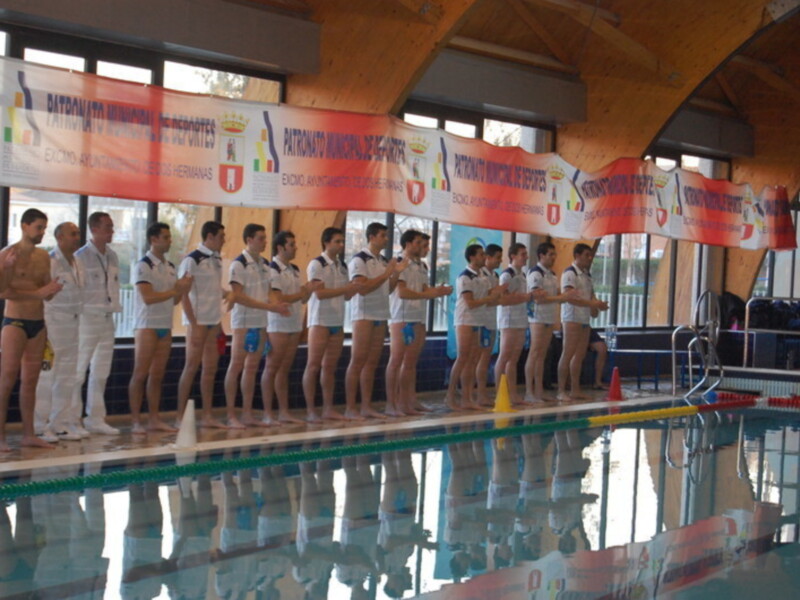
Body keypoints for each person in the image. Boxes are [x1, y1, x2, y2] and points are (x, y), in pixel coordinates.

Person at [0, 208, 63, 451]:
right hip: (14, 323)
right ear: (25, 226)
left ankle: (29, 434)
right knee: (6, 381)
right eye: (39, 228)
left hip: (38, 323)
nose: (42, 233)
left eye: (44, 228)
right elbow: (3, 292)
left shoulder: (43, 256)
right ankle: (1, 437)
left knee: (31, 382)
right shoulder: (7, 254)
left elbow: (44, 291)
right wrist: (7, 269)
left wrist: (51, 291)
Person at [128, 222, 192, 434]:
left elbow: (173, 302)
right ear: (153, 239)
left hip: (165, 325)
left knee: (157, 375)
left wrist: (181, 291)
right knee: (140, 374)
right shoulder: (143, 265)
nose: (169, 240)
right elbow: (148, 297)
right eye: (165, 237)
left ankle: (154, 418)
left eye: (169, 236)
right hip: (147, 325)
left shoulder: (171, 267)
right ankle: (136, 420)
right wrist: (176, 289)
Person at [223, 223, 290, 428]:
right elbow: (239, 296)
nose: (265, 241)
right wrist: (271, 307)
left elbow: (269, 290)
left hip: (260, 321)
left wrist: (276, 304)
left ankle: (247, 413)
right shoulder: (238, 264)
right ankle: (231, 414)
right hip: (243, 322)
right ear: (249, 239)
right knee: (236, 366)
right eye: (261, 238)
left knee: (251, 368)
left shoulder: (264, 264)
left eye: (265, 237)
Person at [385, 229, 451, 416]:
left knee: (411, 363)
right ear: (407, 244)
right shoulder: (400, 263)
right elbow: (402, 292)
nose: (423, 247)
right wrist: (426, 294)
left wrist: (437, 291)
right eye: (418, 243)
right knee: (396, 361)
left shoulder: (421, 265)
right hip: (402, 318)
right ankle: (392, 403)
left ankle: (409, 400)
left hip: (418, 317)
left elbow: (423, 289)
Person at [344, 222, 406, 420]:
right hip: (363, 315)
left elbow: (387, 290)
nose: (386, 239)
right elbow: (362, 288)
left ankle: (365, 406)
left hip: (380, 314)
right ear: (371, 237)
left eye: (386, 235)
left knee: (371, 363)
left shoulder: (383, 261)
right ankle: (350, 408)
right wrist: (387, 273)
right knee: (358, 361)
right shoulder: (359, 260)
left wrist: (395, 273)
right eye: (382, 235)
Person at [302, 226, 360, 422]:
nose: (341, 245)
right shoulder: (316, 265)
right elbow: (319, 293)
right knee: (313, 366)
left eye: (342, 241)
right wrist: (346, 288)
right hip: (319, 321)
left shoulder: (341, 266)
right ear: (326, 242)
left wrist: (354, 289)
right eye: (337, 241)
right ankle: (311, 410)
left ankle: (328, 408)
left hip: (337, 321)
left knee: (330, 368)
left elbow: (345, 296)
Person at [261, 230, 319, 425]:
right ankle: (268, 413)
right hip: (277, 324)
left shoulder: (294, 269)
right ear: (280, 247)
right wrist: (303, 291)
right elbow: (278, 298)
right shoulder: (272, 269)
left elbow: (301, 299)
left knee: (284, 370)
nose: (295, 248)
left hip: (293, 322)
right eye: (291, 244)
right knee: (271, 368)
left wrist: (309, 291)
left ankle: (283, 411)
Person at [34, 222, 85, 442]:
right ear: (59, 237)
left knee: (67, 376)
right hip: (53, 324)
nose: (77, 237)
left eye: (78, 234)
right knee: (48, 376)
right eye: (72, 234)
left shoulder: (78, 262)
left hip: (73, 324)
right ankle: (39, 425)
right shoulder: (51, 261)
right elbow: (44, 293)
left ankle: (60, 423)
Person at [73, 211, 122, 436]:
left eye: (112, 227)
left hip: (107, 317)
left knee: (101, 371)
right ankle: (72, 419)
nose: (112, 231)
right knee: (79, 371)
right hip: (87, 319)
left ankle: (95, 418)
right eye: (108, 227)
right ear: (94, 229)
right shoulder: (80, 257)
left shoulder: (112, 256)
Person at [176, 220, 227, 428]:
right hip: (197, 322)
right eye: (221, 236)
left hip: (213, 321)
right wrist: (194, 323)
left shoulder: (216, 260)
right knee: (191, 367)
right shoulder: (192, 260)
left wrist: (220, 324)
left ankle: (207, 415)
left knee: (210, 369)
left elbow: (215, 292)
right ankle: (180, 417)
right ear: (210, 237)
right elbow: (183, 294)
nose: (224, 240)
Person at [444, 244, 503, 411]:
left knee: (473, 359)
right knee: (463, 358)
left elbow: (489, 297)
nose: (484, 257)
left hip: (478, 320)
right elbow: (470, 303)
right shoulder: (465, 277)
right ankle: (450, 395)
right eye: (480, 254)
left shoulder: (482, 277)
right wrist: (490, 297)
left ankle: (467, 397)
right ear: (471, 257)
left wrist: (497, 292)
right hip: (465, 319)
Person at [524, 242, 575, 403]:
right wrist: (561, 298)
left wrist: (565, 295)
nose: (554, 258)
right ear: (541, 255)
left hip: (548, 316)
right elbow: (538, 298)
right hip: (537, 318)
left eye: (554, 254)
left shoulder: (552, 274)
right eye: (551, 254)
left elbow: (552, 295)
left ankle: (539, 391)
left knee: (542, 355)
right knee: (535, 353)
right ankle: (528, 391)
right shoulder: (535, 273)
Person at [558, 243, 608, 401]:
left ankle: (575, 389)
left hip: (583, 318)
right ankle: (561, 390)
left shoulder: (586, 274)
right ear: (577, 255)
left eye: (590, 254)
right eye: (587, 255)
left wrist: (596, 306)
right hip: (571, 318)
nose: (590, 257)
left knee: (579, 356)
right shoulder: (569, 273)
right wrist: (592, 304)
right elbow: (569, 297)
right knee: (567, 354)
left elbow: (590, 296)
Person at [493, 243, 539, 406]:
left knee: (513, 359)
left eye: (526, 254)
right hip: (508, 320)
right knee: (505, 356)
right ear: (513, 256)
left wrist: (528, 297)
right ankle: (500, 393)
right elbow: (504, 300)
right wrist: (526, 297)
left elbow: (520, 297)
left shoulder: (523, 275)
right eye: (522, 254)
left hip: (520, 318)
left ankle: (512, 394)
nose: (526, 257)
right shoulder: (507, 275)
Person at [475, 244, 503, 406]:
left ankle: (482, 393)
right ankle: (480, 394)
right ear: (488, 258)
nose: (500, 261)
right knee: (481, 359)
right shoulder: (482, 275)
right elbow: (487, 298)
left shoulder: (495, 276)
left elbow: (497, 300)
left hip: (492, 321)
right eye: (498, 257)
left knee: (485, 359)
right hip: (482, 321)